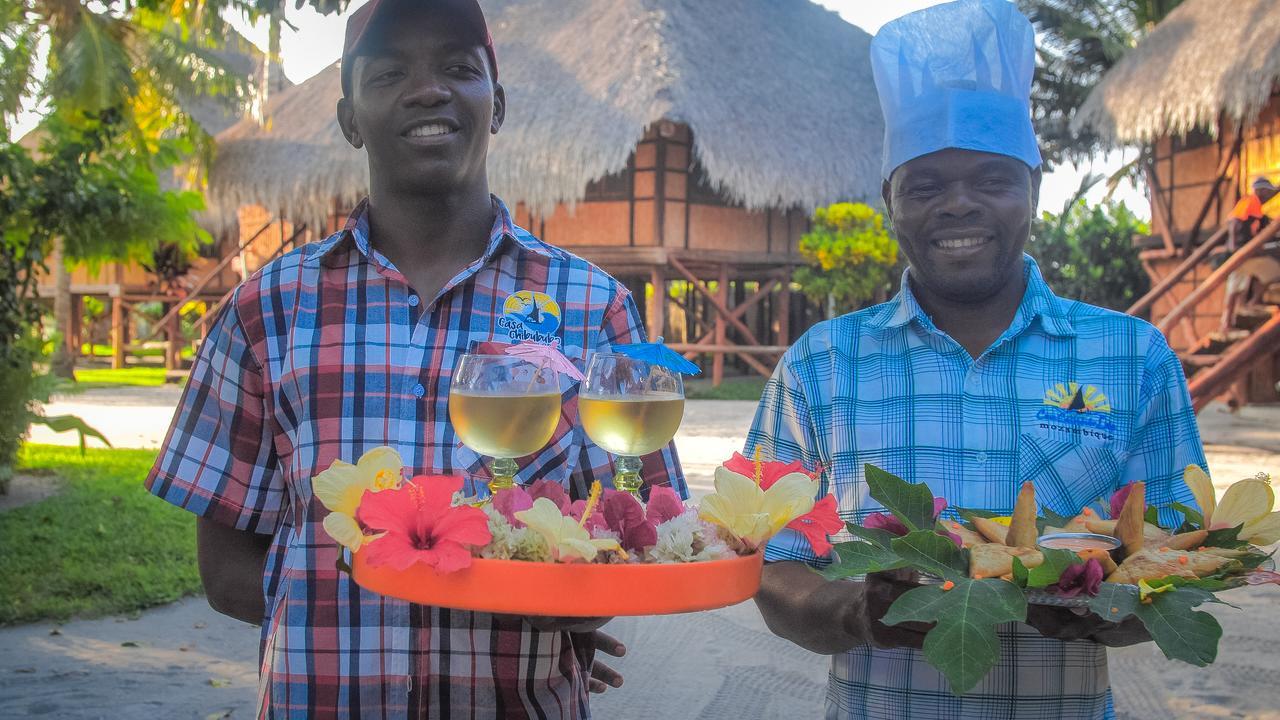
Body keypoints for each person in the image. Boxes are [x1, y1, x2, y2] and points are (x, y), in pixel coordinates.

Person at [144, 0, 685, 716]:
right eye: (390, 72)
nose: (428, 90)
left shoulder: (593, 306)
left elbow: (642, 534)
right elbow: (226, 570)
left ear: (497, 104)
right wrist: (345, 601)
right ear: (347, 118)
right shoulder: (265, 309)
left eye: (460, 69)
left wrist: (572, 606)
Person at [747, 1, 1206, 718]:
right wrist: (859, 613)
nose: (957, 205)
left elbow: (1182, 553)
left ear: (1034, 189)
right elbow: (771, 564)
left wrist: (1111, 606)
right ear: (889, 201)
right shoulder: (821, 365)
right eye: (926, 185)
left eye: (991, 179)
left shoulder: (1134, 357)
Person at [1218, 176, 1280, 335]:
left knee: (1235, 288)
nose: (1268, 196)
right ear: (1259, 190)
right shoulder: (1253, 202)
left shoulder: (1244, 202)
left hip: (1237, 252)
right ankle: (1252, 303)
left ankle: (1227, 322)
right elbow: (1262, 227)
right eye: (1266, 192)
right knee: (1273, 271)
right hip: (1244, 252)